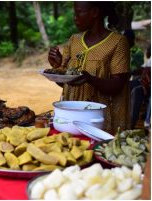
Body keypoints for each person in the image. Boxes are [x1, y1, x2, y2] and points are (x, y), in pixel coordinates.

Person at [48, 1, 130, 134]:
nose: (75, 17)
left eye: (78, 12)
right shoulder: (74, 40)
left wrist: (90, 79)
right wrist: (57, 67)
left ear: (94, 13)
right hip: (72, 118)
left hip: (100, 121)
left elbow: (118, 85)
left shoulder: (117, 42)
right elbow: (67, 84)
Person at [130, 46, 151, 129]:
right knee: (125, 86)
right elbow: (142, 69)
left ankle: (131, 126)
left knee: (136, 92)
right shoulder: (150, 60)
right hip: (144, 82)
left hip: (148, 85)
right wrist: (130, 73)